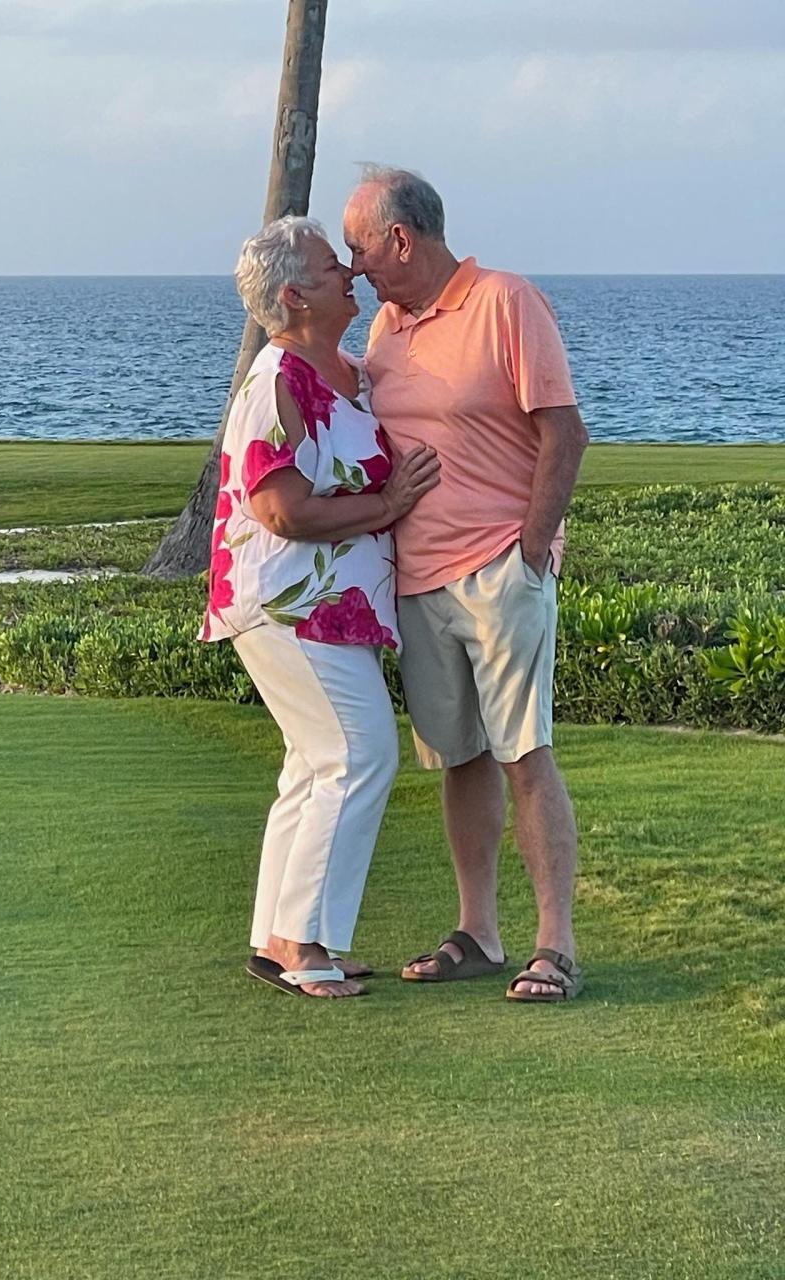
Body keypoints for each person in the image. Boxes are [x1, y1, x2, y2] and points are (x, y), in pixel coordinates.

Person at [343, 166, 590, 1002]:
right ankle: (478, 931)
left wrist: (529, 548)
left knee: (525, 754)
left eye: (360, 248)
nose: (354, 266)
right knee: (460, 759)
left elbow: (564, 432)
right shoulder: (384, 326)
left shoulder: (505, 302)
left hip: (497, 570)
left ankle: (554, 944)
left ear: (401, 240)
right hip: (417, 582)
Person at [200, 214, 440, 999]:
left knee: (313, 765)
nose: (351, 273)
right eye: (334, 266)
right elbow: (282, 512)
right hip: (287, 602)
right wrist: (387, 506)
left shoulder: (347, 373)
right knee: (358, 753)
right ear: (294, 294)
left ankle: (283, 937)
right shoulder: (278, 380)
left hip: (331, 606)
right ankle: (304, 943)